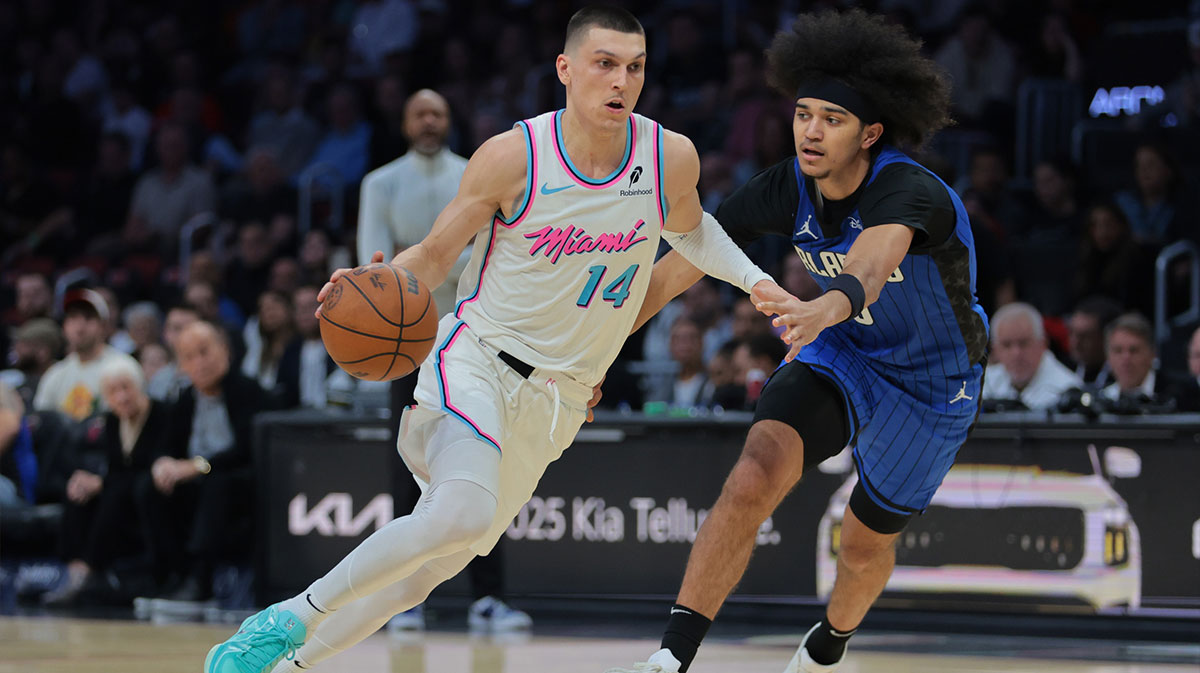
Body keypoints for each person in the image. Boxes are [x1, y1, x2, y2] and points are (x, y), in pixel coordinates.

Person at [204, 7, 785, 672]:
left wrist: (754, 279)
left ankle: (283, 666)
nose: (621, 80)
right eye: (605, 64)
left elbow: (691, 232)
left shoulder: (668, 157)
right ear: (565, 69)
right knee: (460, 513)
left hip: (559, 400)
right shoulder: (515, 156)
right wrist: (374, 279)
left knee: (429, 570)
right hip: (477, 361)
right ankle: (287, 617)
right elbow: (432, 255)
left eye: (635, 67)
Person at [608, 10, 988, 673]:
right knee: (753, 473)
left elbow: (871, 262)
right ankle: (671, 656)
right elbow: (685, 263)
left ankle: (828, 644)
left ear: (870, 132)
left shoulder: (909, 189)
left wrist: (825, 305)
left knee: (864, 549)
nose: (810, 129)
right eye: (803, 113)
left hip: (931, 384)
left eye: (832, 119)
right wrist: (593, 350)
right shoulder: (789, 186)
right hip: (843, 351)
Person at [138, 321, 269, 602]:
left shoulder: (248, 391)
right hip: (195, 479)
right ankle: (170, 574)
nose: (198, 363)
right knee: (150, 488)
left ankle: (200, 578)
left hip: (236, 479)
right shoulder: (186, 398)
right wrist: (162, 463)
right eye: (188, 357)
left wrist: (199, 465)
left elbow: (246, 449)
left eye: (204, 352)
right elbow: (165, 444)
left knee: (217, 485)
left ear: (224, 350)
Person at [42, 359, 172, 606]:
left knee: (114, 492)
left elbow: (151, 466)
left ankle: (92, 569)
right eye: (113, 391)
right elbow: (115, 469)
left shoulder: (161, 413)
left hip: (150, 494)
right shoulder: (112, 421)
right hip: (120, 492)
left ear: (140, 385)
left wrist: (101, 483)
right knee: (78, 491)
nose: (121, 396)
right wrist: (92, 482)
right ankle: (75, 572)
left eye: (126, 387)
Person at [33, 290, 140, 421]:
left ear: (104, 326)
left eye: (88, 317)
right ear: (64, 326)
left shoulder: (123, 367)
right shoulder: (55, 374)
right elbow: (42, 423)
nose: (79, 326)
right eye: (73, 317)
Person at [982, 302, 1080, 411]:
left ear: (1043, 344)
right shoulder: (981, 384)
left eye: (1023, 343)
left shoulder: (1068, 389)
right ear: (995, 350)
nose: (1016, 353)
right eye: (1007, 345)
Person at [1098, 313, 1175, 406]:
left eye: (1133, 350)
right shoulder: (1101, 399)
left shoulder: (1176, 396)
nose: (1126, 358)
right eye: (1118, 351)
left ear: (1152, 354)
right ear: (1108, 357)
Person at [1066, 296, 1120, 388]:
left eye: (1084, 337)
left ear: (1106, 339)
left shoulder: (1122, 375)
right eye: (1071, 333)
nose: (1075, 343)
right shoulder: (1064, 369)